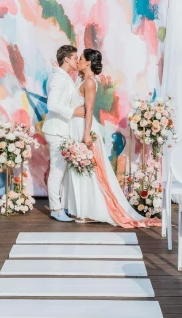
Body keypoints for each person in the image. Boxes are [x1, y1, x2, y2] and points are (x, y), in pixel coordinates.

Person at [65, 49, 161, 228]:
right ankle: (82, 208)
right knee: (82, 167)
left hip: (84, 127)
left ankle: (91, 210)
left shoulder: (90, 83)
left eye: (81, 58)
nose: (78, 61)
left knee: (89, 169)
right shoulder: (82, 81)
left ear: (88, 63)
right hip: (76, 126)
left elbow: (90, 109)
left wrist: (86, 133)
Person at [42, 45, 86, 222]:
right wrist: (73, 112)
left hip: (61, 130)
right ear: (66, 59)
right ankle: (56, 208)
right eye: (75, 58)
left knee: (62, 170)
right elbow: (51, 105)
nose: (77, 61)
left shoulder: (63, 77)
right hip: (56, 131)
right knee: (57, 170)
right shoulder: (58, 79)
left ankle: (61, 205)